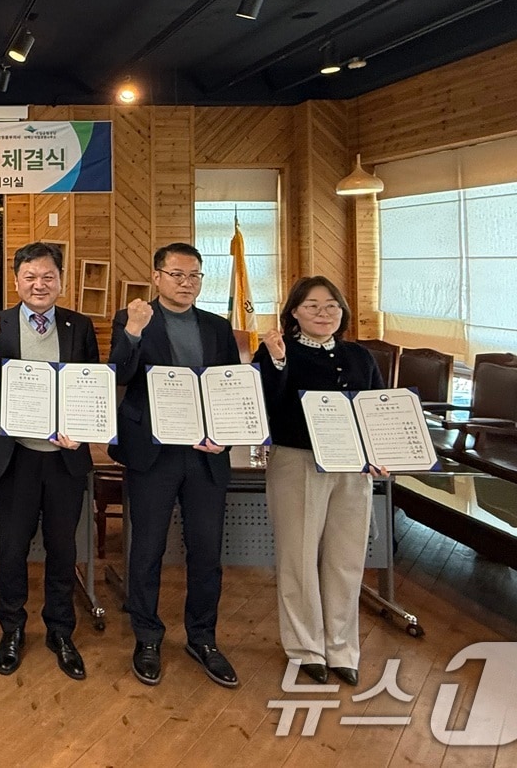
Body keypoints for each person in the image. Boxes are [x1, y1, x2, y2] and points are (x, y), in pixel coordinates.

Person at [109, 242, 240, 689]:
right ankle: (147, 636)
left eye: (195, 276)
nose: (187, 283)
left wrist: (224, 435)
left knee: (206, 552)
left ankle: (202, 638)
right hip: (153, 452)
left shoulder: (219, 327)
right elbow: (120, 375)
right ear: (158, 276)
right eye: (178, 274)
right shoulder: (136, 318)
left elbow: (228, 387)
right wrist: (132, 332)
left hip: (206, 455)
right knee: (147, 550)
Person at [0, 241, 97, 681]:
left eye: (48, 277)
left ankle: (60, 631)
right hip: (16, 459)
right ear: (17, 281)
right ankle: (12, 629)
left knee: (64, 549)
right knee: (12, 549)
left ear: (60, 281)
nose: (39, 285)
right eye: (30, 277)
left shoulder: (79, 326)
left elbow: (89, 385)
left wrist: (81, 430)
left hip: (64, 461)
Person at [258, 276, 384, 687]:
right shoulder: (277, 351)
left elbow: (377, 409)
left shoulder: (360, 355)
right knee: (299, 557)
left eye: (331, 306)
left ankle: (342, 648)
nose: (323, 314)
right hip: (298, 463)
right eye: (312, 306)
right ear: (294, 311)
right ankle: (306, 647)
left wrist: (380, 455)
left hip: (353, 469)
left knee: (346, 560)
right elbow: (265, 405)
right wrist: (275, 362)